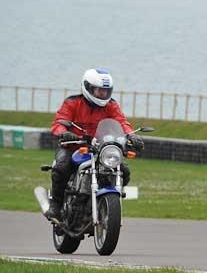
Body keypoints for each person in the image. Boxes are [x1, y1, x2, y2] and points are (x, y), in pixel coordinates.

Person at [47, 68, 143, 221]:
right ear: (88, 88)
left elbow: (121, 122)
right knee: (61, 167)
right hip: (73, 147)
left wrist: (132, 135)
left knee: (123, 171)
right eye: (99, 90)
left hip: (99, 149)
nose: (103, 94)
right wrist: (63, 133)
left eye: (106, 91)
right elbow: (59, 122)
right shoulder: (72, 103)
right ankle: (56, 205)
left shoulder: (111, 105)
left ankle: (107, 203)